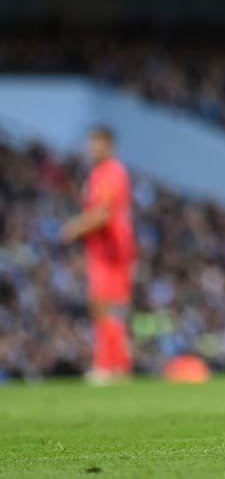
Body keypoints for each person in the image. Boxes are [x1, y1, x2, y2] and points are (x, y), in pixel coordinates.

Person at [61, 125, 136, 383]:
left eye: (97, 144)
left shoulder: (111, 172)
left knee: (105, 308)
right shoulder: (99, 173)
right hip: (104, 250)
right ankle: (118, 366)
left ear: (109, 146)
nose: (92, 149)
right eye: (91, 143)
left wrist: (75, 227)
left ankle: (108, 365)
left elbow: (103, 214)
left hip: (111, 253)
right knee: (107, 309)